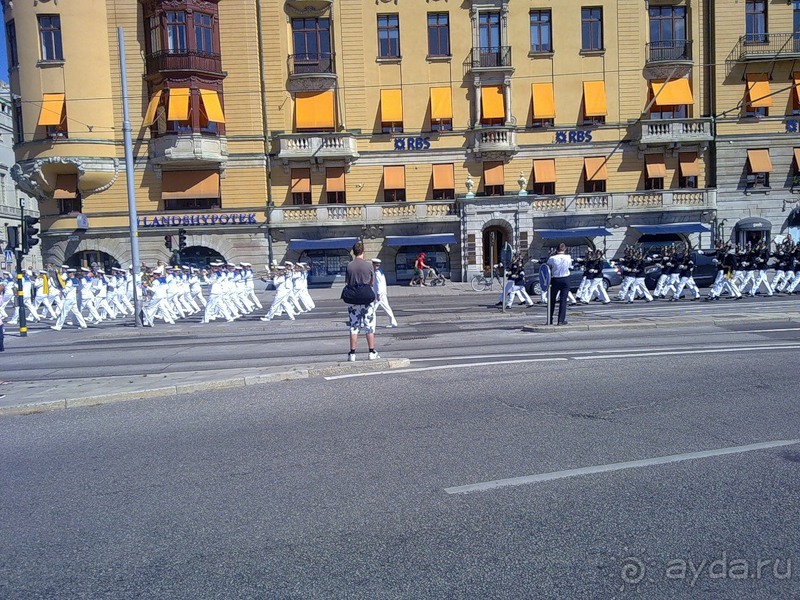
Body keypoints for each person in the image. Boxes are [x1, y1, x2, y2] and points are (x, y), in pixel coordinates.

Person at [345, 241, 378, 361]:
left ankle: (352, 353)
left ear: (353, 252)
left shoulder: (349, 265)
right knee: (369, 325)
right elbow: (372, 282)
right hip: (366, 299)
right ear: (363, 251)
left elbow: (347, 282)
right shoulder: (368, 265)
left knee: (354, 326)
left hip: (353, 299)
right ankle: (371, 352)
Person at [547, 243, 573, 325]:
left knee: (552, 300)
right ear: (565, 249)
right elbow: (570, 266)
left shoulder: (552, 258)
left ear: (556, 249)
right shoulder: (568, 257)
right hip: (565, 278)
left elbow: (548, 266)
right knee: (563, 300)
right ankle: (561, 320)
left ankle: (549, 319)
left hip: (555, 278)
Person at [371, 258, 398, 327]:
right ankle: (393, 322)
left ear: (374, 264)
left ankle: (370, 323)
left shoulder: (377, 273)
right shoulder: (380, 271)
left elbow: (379, 284)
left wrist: (378, 294)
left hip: (379, 294)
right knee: (386, 308)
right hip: (382, 293)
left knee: (372, 309)